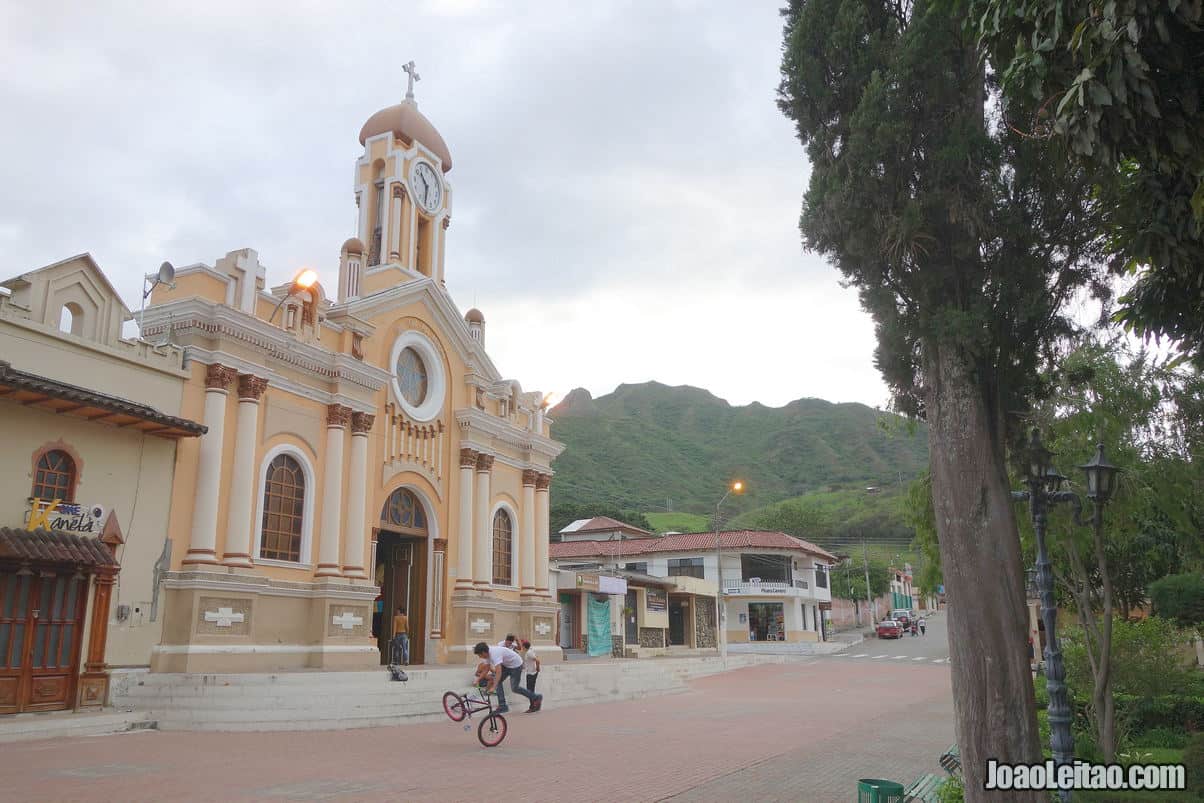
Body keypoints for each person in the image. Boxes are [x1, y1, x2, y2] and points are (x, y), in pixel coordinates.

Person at [474, 641, 541, 714]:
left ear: (483, 652)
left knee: (514, 688)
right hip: (507, 665)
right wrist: (478, 679)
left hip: (516, 665)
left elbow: (498, 672)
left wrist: (493, 687)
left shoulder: (494, 654)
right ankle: (503, 706)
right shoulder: (487, 655)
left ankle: (536, 697)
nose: (479, 657)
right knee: (497, 681)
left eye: (479, 655)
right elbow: (486, 669)